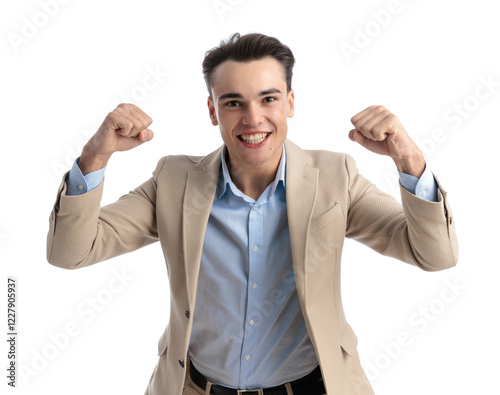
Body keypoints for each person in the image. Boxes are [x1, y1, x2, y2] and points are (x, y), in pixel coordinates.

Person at [47, 33, 458, 395]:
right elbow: (71, 252)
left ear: (290, 103)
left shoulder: (335, 177)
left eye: (268, 98)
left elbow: (434, 255)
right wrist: (95, 157)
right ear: (212, 111)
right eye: (233, 102)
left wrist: (409, 161)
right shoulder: (174, 180)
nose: (253, 118)